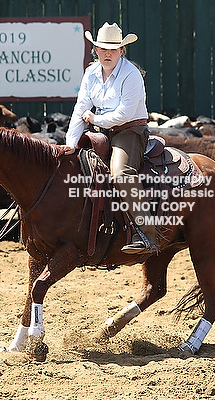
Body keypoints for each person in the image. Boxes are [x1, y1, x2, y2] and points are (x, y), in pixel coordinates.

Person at [61, 22, 157, 255]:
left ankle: (147, 234)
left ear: (121, 50)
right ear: (95, 50)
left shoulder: (131, 74)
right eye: (103, 48)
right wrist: (70, 144)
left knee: (121, 173)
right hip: (102, 131)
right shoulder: (91, 73)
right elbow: (80, 108)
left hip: (130, 131)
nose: (107, 53)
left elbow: (125, 114)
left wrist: (95, 119)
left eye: (113, 49)